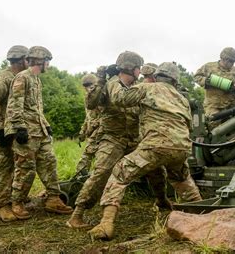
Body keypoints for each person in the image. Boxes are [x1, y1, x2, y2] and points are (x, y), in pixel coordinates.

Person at [88, 62, 202, 240]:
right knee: (182, 180)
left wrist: (112, 79)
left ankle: (106, 223)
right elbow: (189, 125)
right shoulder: (181, 98)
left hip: (156, 145)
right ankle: (202, 215)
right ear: (174, 81)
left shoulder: (149, 88)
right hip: (182, 147)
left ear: (157, 77)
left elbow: (120, 98)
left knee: (120, 173)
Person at [67, 51, 143, 228]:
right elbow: (91, 104)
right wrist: (100, 79)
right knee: (101, 173)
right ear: (131, 68)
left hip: (134, 138)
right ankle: (77, 215)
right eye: (138, 68)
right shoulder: (109, 85)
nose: (140, 71)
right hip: (112, 138)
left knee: (156, 168)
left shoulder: (138, 87)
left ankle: (162, 201)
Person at [4, 46, 73, 219]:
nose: (48, 65)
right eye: (48, 62)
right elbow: (14, 104)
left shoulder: (36, 80)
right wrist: (19, 128)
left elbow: (36, 108)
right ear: (41, 61)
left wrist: (46, 124)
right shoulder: (23, 78)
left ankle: (53, 198)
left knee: (49, 162)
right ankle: (17, 202)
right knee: (26, 168)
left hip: (39, 130)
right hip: (26, 132)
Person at [0, 45, 29, 221]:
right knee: (3, 167)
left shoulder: (23, 78)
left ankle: (15, 201)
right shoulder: (3, 79)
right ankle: (2, 206)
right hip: (4, 131)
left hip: (17, 130)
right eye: (28, 59)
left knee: (19, 166)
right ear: (21, 60)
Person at [194, 47, 235, 118]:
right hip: (213, 106)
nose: (232, 63)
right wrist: (206, 81)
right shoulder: (209, 66)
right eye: (230, 61)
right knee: (214, 126)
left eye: (233, 61)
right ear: (224, 58)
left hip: (231, 106)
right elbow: (196, 76)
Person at [76, 73, 102, 175]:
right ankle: (81, 177)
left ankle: (81, 177)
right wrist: (82, 132)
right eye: (86, 86)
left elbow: (106, 116)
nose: (88, 88)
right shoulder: (87, 98)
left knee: (88, 155)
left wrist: (95, 126)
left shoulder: (100, 95)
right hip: (92, 132)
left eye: (90, 85)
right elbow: (88, 118)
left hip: (101, 131)